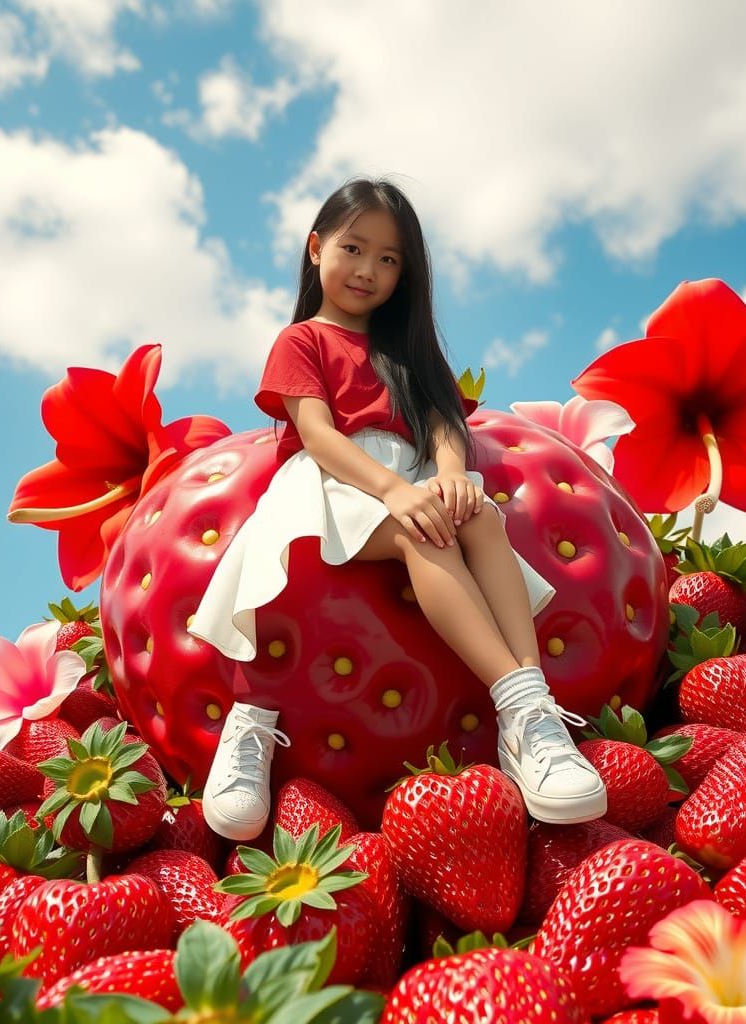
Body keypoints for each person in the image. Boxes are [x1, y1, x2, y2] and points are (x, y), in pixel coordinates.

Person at [189, 178, 606, 840]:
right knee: (426, 539)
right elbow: (319, 435)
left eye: (389, 260)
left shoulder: (408, 351)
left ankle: (532, 716)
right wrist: (393, 490)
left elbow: (443, 424)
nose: (369, 270)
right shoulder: (301, 340)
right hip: (333, 481)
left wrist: (447, 474)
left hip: (412, 474)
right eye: (354, 248)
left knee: (482, 519)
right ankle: (515, 702)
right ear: (316, 247)